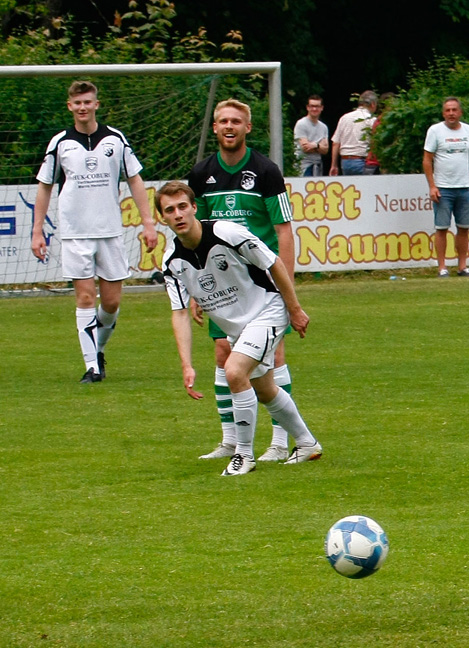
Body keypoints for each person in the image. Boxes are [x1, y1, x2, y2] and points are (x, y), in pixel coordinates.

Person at [157, 181, 322, 477]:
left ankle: (243, 456)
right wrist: (186, 364)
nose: (178, 214)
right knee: (265, 389)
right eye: (170, 210)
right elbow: (180, 313)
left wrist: (294, 309)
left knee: (234, 371)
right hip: (238, 328)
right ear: (163, 218)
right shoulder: (171, 261)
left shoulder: (226, 232)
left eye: (183, 206)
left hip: (268, 310)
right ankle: (308, 443)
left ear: (194, 208)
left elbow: (273, 263)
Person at [188, 99, 318, 465]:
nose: (229, 126)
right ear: (215, 128)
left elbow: (283, 231)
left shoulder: (266, 171)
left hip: (262, 282)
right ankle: (229, 441)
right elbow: (197, 235)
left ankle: (279, 442)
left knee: (272, 357)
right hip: (224, 282)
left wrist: (286, 284)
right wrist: (198, 286)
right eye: (223, 121)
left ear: (247, 128)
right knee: (222, 352)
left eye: (236, 121)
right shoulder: (201, 175)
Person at [31, 80, 157, 384]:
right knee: (85, 297)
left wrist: (148, 222)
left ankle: (98, 349)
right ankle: (92, 367)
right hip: (76, 233)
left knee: (111, 302)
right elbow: (45, 186)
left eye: (88, 102)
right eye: (77, 103)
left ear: (96, 104)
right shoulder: (60, 143)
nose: (83, 107)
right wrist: (37, 231)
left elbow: (135, 180)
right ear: (70, 106)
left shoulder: (115, 139)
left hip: (110, 232)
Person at [423, 97, 469, 277]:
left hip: (464, 187)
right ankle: (442, 267)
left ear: (460, 112)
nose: (451, 113)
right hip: (443, 188)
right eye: (448, 110)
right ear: (443, 113)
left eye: (454, 110)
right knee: (441, 228)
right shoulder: (435, 131)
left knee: (464, 228)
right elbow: (427, 160)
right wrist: (432, 186)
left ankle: (462, 266)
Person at [329, 91, 377, 176]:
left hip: (345, 162)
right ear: (373, 104)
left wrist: (334, 165)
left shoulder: (344, 118)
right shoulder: (371, 120)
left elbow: (335, 143)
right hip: (362, 160)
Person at [293, 95, 329, 177]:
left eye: (317, 106)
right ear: (307, 107)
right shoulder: (301, 124)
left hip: (318, 165)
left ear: (322, 108)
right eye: (312, 106)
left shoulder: (323, 127)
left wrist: (315, 145)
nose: (314, 109)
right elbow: (305, 148)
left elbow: (326, 150)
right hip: (303, 166)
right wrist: (319, 146)